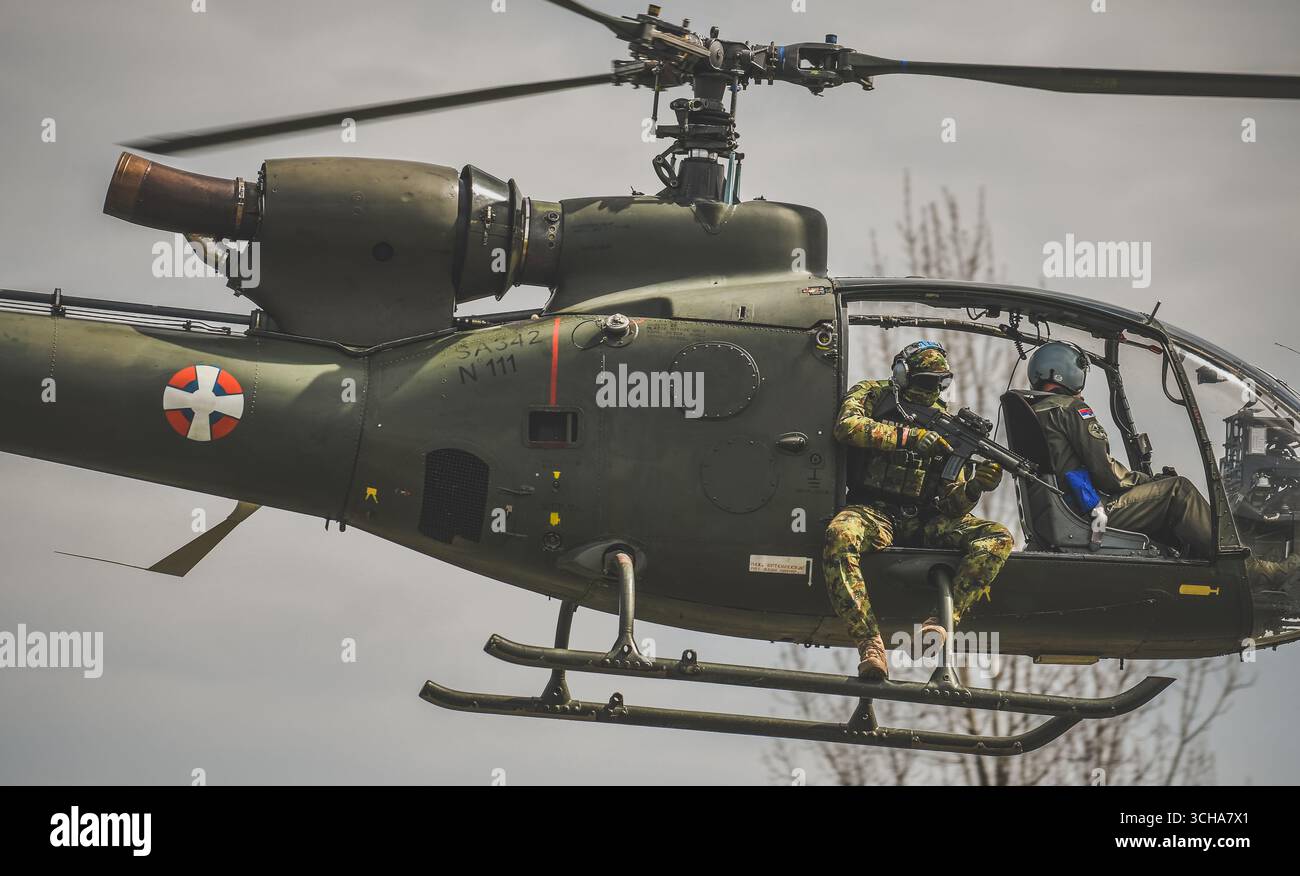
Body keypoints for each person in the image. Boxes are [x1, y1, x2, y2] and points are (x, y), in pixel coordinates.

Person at [1025, 340, 1299, 584]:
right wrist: (1150, 481)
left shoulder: (1032, 411)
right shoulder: (1069, 409)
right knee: (1178, 491)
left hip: (1060, 514)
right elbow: (1107, 474)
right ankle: (1250, 570)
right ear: (1069, 372)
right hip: (1088, 516)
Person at [824, 341, 1013, 680]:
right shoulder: (874, 395)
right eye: (926, 382)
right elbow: (846, 426)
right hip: (873, 512)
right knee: (840, 535)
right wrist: (907, 437)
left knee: (997, 538)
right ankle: (870, 643)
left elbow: (951, 505)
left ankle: (939, 623)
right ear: (903, 375)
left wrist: (974, 488)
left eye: (939, 384)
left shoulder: (946, 423)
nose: (932, 391)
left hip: (924, 521)